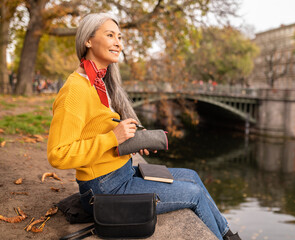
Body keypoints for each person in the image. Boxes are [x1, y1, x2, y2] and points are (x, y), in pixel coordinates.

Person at [47, 13, 241, 240]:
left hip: (122, 173)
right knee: (195, 194)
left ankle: (229, 237)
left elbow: (97, 129)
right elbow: (58, 155)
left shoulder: (100, 82)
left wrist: (132, 140)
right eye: (110, 35)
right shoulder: (76, 89)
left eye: (119, 36)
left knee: (192, 176)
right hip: (104, 189)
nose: (118, 42)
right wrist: (113, 138)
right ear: (88, 41)